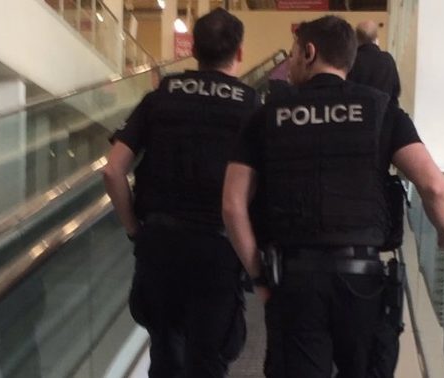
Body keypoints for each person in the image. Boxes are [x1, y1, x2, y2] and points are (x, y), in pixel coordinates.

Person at [222, 15, 444, 378]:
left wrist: (260, 278)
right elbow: (433, 185)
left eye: (293, 53)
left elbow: (233, 205)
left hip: (294, 278)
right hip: (363, 279)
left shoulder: (267, 116)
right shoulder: (381, 109)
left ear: (309, 52)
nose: (289, 63)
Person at [103, 8, 257, 378]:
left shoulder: (160, 96)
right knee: (208, 358)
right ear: (239, 52)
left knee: (165, 354)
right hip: (217, 249)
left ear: (194, 49)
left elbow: (112, 170)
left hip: (159, 244)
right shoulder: (250, 105)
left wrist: (134, 231)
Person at [348, 20, 401, 106]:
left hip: (359, 113)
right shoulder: (387, 60)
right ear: (376, 38)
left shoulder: (351, 60)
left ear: (356, 38)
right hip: (384, 114)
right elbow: (396, 91)